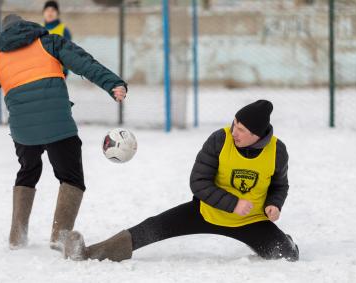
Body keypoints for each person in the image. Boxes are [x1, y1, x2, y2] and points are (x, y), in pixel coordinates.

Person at [0, 14, 127, 251]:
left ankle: (16, 237)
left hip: (23, 131)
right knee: (70, 177)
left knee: (28, 170)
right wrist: (112, 83)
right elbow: (84, 63)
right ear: (26, 26)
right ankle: (60, 236)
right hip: (58, 124)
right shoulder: (49, 42)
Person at [64, 100, 299, 262]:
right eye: (234, 124)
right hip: (206, 211)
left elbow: (280, 185)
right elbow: (199, 182)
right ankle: (88, 253)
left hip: (251, 220)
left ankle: (284, 239)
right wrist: (233, 204)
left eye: (242, 129)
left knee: (288, 255)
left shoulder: (277, 150)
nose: (234, 132)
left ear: (257, 135)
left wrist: (275, 204)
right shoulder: (220, 139)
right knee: (151, 227)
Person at [42, 1, 71, 76]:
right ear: (43, 13)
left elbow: (68, 53)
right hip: (41, 73)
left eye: (53, 10)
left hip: (58, 73)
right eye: (47, 10)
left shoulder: (64, 30)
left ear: (57, 13)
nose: (50, 13)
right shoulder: (39, 29)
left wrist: (65, 72)